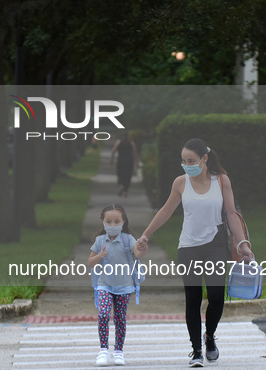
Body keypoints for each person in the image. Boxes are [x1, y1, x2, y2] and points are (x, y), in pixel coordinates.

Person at [138, 138, 254, 367]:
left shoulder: (221, 181)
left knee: (216, 298)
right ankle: (196, 350)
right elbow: (166, 210)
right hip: (188, 247)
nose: (186, 165)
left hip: (215, 246)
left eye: (191, 160)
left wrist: (243, 243)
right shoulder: (181, 183)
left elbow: (231, 214)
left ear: (204, 159)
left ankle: (209, 337)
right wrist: (145, 234)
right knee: (192, 299)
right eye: (183, 161)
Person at [87, 204, 147, 366]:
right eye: (109, 222)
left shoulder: (128, 239)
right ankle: (103, 350)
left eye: (116, 221)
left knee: (120, 319)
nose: (112, 225)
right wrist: (99, 256)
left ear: (123, 222)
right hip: (104, 285)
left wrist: (143, 248)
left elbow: (138, 253)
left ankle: (119, 351)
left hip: (124, 287)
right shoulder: (100, 241)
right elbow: (90, 263)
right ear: (103, 222)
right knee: (103, 315)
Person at [110, 132, 139, 197]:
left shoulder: (119, 142)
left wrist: (112, 159)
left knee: (120, 174)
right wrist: (137, 162)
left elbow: (113, 151)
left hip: (121, 161)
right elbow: (135, 153)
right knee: (128, 176)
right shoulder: (132, 143)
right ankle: (125, 191)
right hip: (129, 161)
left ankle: (121, 185)